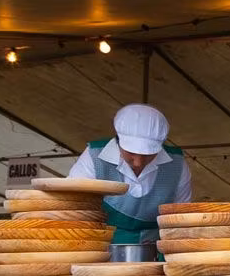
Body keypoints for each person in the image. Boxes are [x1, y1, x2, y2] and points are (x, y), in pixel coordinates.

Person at [68, 103, 192, 243]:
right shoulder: (95, 157)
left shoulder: (176, 164)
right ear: (118, 141)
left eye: (148, 154)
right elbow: (71, 207)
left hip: (154, 250)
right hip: (99, 246)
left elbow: (181, 217)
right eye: (131, 152)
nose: (138, 162)